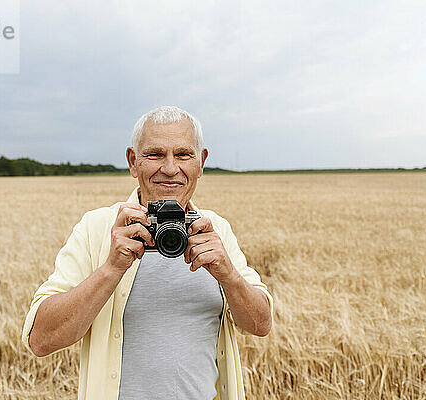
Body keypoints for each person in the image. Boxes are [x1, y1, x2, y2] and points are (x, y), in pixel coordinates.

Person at [22, 105, 274, 400]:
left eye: (183, 154)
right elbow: (41, 339)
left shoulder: (216, 229)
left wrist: (228, 275)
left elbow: (260, 324)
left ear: (201, 162)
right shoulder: (97, 229)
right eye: (155, 154)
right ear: (133, 162)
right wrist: (111, 269)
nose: (170, 169)